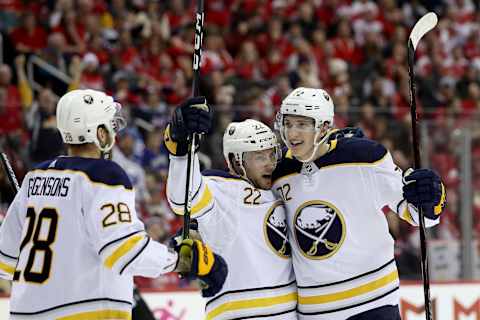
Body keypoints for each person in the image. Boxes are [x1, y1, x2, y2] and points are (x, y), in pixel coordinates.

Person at [0, 89, 227, 320]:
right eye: (110, 126)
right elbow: (125, 252)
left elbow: (5, 262)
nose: (114, 134)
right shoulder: (103, 175)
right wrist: (182, 260)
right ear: (99, 133)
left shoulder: (34, 177)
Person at [272, 87, 446, 319]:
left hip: (374, 303)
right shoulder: (278, 172)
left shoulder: (364, 157)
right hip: (315, 311)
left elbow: (419, 215)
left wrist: (431, 196)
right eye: (288, 123)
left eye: (302, 124)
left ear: (324, 127)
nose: (291, 132)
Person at [165, 97, 298, 319]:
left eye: (271, 153)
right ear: (236, 163)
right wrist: (181, 150)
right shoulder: (221, 193)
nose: (269, 163)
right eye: (259, 156)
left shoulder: (283, 188)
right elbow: (183, 199)